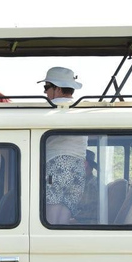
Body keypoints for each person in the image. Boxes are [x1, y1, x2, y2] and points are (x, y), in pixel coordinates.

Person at [38, 67, 86, 224]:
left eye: (46, 87)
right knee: (64, 215)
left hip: (57, 164)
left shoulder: (52, 107)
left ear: (57, 89)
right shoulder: (82, 108)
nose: (45, 93)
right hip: (79, 167)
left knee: (50, 217)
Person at [73, 150, 99, 224]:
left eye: (75, 163)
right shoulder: (84, 182)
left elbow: (85, 216)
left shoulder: (91, 185)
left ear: (84, 164)